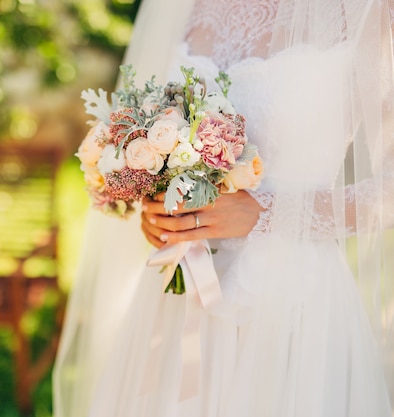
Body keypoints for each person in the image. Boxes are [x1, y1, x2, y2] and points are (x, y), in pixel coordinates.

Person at [53, 0, 394, 416]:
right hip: (181, 287)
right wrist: (159, 209)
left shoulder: (364, 10)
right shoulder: (182, 7)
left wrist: (265, 211)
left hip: (290, 297)